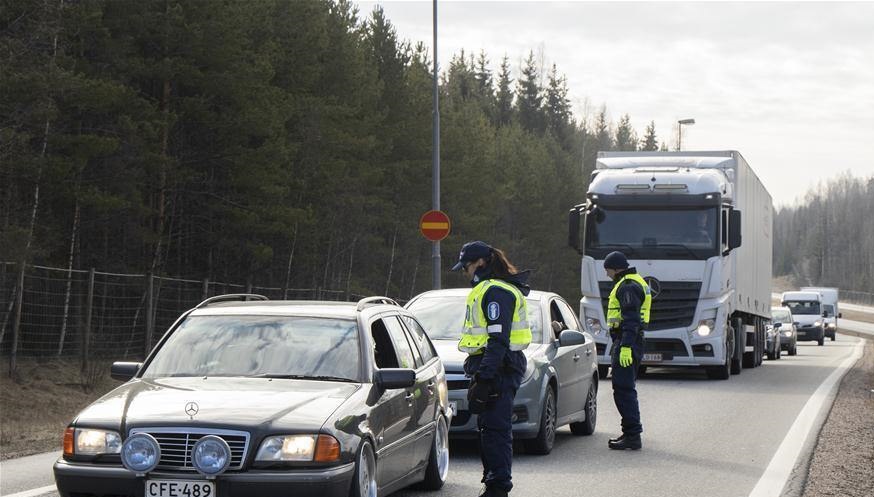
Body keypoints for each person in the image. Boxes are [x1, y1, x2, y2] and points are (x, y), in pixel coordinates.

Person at [451, 241, 532, 497]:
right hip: (493, 365)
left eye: (467, 265)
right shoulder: (488, 288)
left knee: (496, 430)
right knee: (489, 429)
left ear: (481, 263)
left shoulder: (496, 292)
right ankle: (493, 481)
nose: (465, 271)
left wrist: (485, 378)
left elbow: (498, 340)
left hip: (499, 367)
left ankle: (499, 487)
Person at [603, 250, 651, 450]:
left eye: (608, 270)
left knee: (624, 390)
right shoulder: (633, 282)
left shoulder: (627, 287)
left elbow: (631, 321)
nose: (607, 275)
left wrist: (625, 347)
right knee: (624, 389)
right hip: (629, 341)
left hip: (627, 341)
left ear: (615, 269)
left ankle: (632, 435)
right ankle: (630, 433)